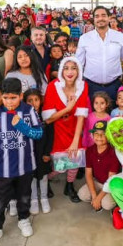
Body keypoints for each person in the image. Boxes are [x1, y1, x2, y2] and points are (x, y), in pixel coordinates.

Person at [0, 78, 43, 246]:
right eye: (5, 98)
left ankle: (24, 219)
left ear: (21, 96)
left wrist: (22, 126)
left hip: (25, 166)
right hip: (2, 169)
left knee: (24, 196)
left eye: (13, 98)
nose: (9, 102)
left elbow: (38, 134)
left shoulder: (28, 111)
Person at [42, 57, 89, 202]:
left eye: (74, 68)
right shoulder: (53, 86)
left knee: (75, 158)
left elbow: (81, 115)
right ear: (61, 71)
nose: (70, 72)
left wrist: (76, 141)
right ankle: (44, 180)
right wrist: (68, 109)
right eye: (66, 68)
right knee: (60, 166)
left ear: (79, 71)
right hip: (57, 128)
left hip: (74, 127)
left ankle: (69, 185)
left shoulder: (83, 86)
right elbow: (48, 119)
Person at [75, 6, 123, 99]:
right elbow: (79, 63)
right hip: (91, 86)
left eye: (103, 15)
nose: (100, 18)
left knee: (115, 108)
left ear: (109, 18)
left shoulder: (119, 37)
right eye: (97, 16)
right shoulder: (85, 38)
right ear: (94, 19)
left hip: (115, 86)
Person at [78, 120, 120, 211]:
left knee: (106, 204)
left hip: (110, 184)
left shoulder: (113, 152)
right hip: (98, 182)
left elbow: (110, 180)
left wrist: (98, 198)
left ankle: (117, 201)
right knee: (82, 195)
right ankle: (98, 197)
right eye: (96, 134)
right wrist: (94, 196)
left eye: (103, 134)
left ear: (109, 136)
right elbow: (88, 174)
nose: (99, 137)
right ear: (92, 135)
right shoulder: (90, 150)